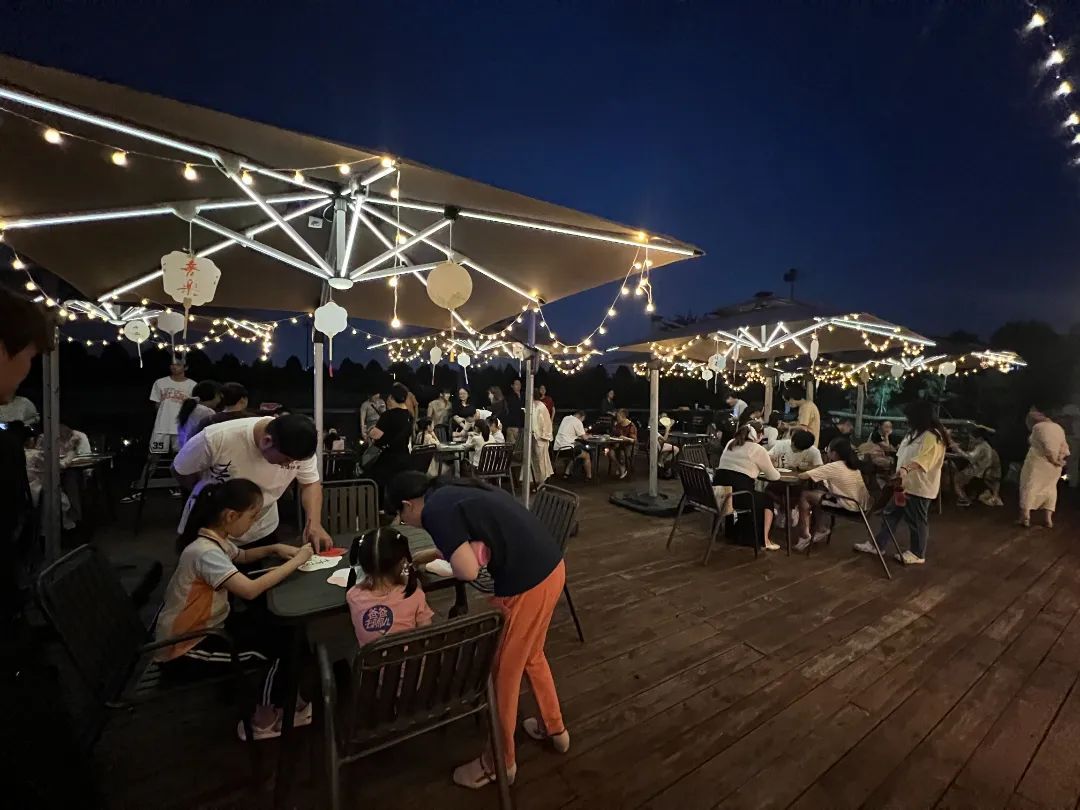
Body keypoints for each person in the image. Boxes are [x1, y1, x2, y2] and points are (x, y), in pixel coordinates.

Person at [388, 473, 570, 789]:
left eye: (402, 518)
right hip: (552, 567)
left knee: (502, 674)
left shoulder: (434, 511)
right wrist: (437, 554)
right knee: (532, 655)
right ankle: (554, 728)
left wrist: (450, 558)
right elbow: (477, 533)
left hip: (527, 585)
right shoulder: (449, 489)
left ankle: (498, 763)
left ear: (407, 505)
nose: (407, 523)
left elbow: (469, 570)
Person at [154, 479, 314, 740]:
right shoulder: (205, 553)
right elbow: (249, 590)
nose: (255, 522)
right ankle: (264, 719)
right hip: (186, 649)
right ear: (230, 516)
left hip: (210, 629)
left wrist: (274, 548)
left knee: (284, 630)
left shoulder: (213, 539)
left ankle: (287, 699)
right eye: (252, 516)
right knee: (279, 651)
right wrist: (297, 561)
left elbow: (242, 556)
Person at [172, 414, 332, 551]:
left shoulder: (298, 445)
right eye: (286, 460)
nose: (288, 465)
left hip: (261, 529)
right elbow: (180, 469)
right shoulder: (216, 438)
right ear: (267, 441)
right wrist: (204, 494)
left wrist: (314, 524)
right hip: (211, 530)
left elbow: (310, 483)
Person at [856, 400, 946, 565]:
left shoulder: (932, 436)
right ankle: (878, 545)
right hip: (903, 486)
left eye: (909, 416)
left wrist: (905, 468)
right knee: (890, 514)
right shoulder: (915, 433)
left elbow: (924, 460)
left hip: (919, 487)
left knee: (917, 520)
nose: (907, 419)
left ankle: (918, 553)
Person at [346, 526, 433, 646]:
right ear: (402, 562)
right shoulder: (414, 595)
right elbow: (426, 636)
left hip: (371, 658)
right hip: (410, 658)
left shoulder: (352, 596)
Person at [795, 437, 870, 551]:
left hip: (850, 506)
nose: (827, 452)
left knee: (805, 495)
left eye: (827, 449)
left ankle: (804, 535)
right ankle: (820, 529)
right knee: (818, 494)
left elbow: (803, 476)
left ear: (834, 453)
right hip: (863, 504)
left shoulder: (834, 466)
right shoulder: (852, 464)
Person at [714, 424, 782, 549]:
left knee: (754, 495)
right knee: (766, 500)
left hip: (719, 493)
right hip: (738, 497)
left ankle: (735, 532)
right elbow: (774, 476)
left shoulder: (731, 443)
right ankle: (765, 540)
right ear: (760, 435)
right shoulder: (757, 449)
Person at [1018, 405, 1070, 528]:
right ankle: (1048, 519)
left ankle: (1025, 516)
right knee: (1050, 489)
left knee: (1029, 487)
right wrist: (1059, 460)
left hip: (1038, 463)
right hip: (1053, 467)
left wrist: (1053, 460)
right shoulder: (1059, 428)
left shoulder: (1038, 427)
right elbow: (1064, 447)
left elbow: (1047, 447)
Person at [367, 384, 415, 501]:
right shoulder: (409, 415)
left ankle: (380, 507)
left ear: (392, 398)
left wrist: (370, 430)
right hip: (404, 458)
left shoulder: (388, 415)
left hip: (387, 460)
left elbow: (375, 435)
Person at [149, 360, 197, 454]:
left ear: (185, 367)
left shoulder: (193, 385)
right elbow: (157, 404)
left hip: (181, 428)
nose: (174, 367)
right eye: (172, 364)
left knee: (181, 455)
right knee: (154, 454)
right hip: (161, 426)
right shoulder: (160, 382)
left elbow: (193, 407)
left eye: (178, 365)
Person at [951, 427, 1003, 507]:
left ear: (980, 438)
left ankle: (963, 499)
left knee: (956, 479)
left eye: (973, 438)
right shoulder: (986, 446)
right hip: (981, 471)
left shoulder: (982, 447)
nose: (972, 440)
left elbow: (970, 456)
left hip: (976, 472)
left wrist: (957, 450)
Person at [176, 380, 221, 449]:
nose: (220, 400)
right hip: (195, 450)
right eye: (219, 396)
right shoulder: (206, 411)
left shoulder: (192, 408)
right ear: (215, 395)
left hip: (185, 449)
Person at [526, 390, 555, 486]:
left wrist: (545, 435)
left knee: (541, 460)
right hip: (532, 437)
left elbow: (546, 422)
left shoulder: (541, 407)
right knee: (534, 459)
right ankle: (536, 481)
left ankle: (542, 482)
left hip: (540, 438)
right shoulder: (530, 406)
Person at [554, 409, 591, 481]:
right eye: (582, 420)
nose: (582, 421)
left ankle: (566, 473)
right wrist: (589, 436)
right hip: (567, 449)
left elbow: (570, 432)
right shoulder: (578, 422)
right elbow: (584, 438)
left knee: (577, 450)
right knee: (587, 455)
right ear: (582, 417)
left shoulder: (566, 418)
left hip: (557, 449)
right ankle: (589, 476)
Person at [611, 409, 638, 480]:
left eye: (618, 416)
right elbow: (615, 435)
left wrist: (625, 438)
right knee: (610, 452)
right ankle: (620, 466)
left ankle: (623, 468)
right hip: (619, 444)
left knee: (622, 453)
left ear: (623, 417)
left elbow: (633, 440)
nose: (617, 418)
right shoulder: (618, 425)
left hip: (630, 446)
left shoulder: (631, 426)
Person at [504, 379, 525, 449]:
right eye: (516, 384)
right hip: (512, 424)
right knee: (511, 445)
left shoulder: (524, 395)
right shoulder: (509, 397)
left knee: (521, 446)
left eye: (519, 384)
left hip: (523, 424)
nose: (518, 386)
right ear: (512, 386)